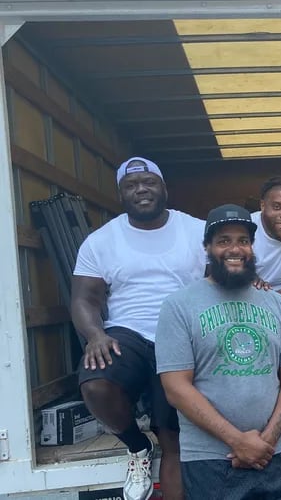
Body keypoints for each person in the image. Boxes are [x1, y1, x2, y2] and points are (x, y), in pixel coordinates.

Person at [71, 157, 206, 500]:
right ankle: (137, 447)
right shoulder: (101, 240)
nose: (141, 190)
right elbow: (84, 299)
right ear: (120, 194)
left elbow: (224, 275)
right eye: (131, 186)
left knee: (173, 437)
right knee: (96, 381)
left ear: (164, 188)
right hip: (126, 335)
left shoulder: (196, 230)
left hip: (181, 335)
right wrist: (96, 335)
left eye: (149, 182)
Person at [155, 204, 281, 500]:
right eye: (224, 240)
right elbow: (175, 388)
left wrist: (267, 440)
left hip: (275, 452)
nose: (235, 249)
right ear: (207, 248)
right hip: (211, 459)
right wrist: (237, 441)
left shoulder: (277, 304)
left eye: (243, 240)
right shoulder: (178, 306)